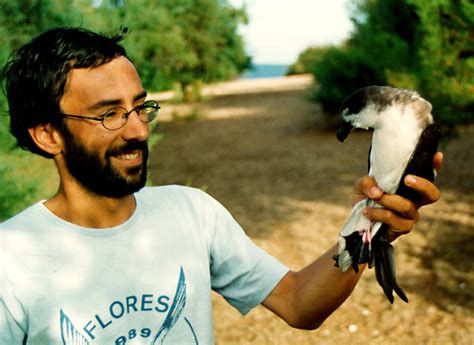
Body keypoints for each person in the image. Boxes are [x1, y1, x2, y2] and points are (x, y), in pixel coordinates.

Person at [0, 27, 441, 344]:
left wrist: (371, 223)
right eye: (109, 113)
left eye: (140, 106)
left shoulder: (191, 211)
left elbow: (300, 304)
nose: (137, 130)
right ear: (47, 135)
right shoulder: (10, 261)